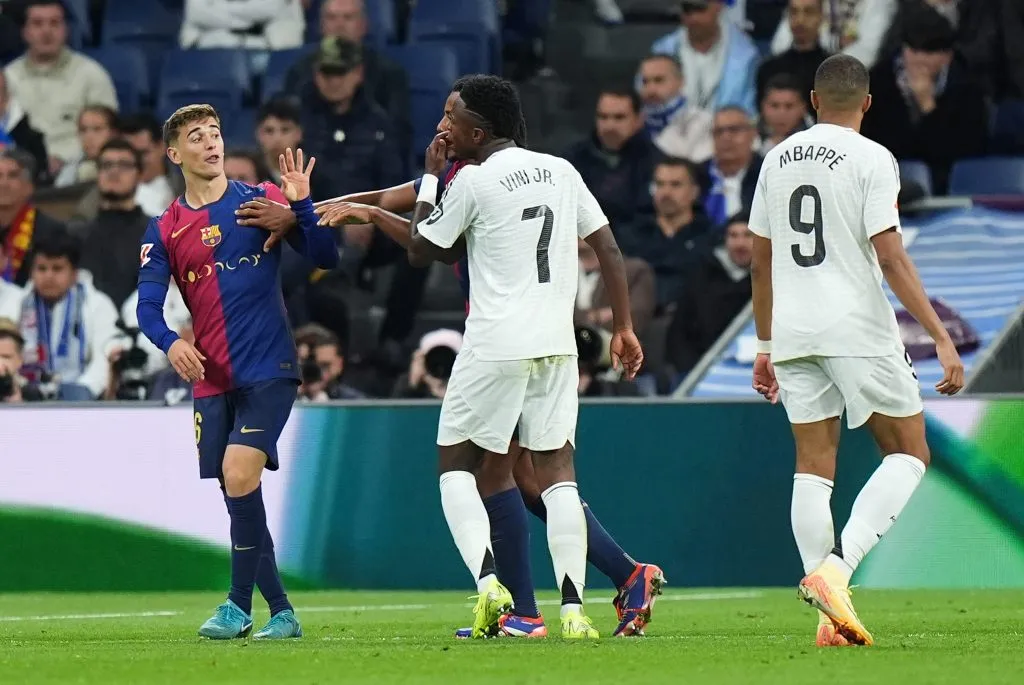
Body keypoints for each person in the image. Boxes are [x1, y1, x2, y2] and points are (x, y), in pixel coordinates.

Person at [304, 77, 665, 640]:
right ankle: (569, 606)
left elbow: (425, 245)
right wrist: (623, 326)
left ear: (478, 129)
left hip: (496, 342)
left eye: (451, 117)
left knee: (465, 469)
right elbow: (608, 247)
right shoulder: (561, 170)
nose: (442, 125)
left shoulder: (469, 180)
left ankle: (511, 596)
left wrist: (385, 204)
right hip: (555, 343)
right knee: (540, 474)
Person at [747, 54, 965, 648]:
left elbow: (760, 260)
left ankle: (829, 620)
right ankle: (836, 572)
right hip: (855, 328)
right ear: (866, 104)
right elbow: (890, 254)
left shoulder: (776, 159)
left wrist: (764, 344)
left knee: (813, 464)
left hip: (793, 331)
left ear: (813, 101)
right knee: (910, 451)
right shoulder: (874, 158)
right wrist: (939, 334)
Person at [135, 104, 339, 641]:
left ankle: (236, 606)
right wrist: (170, 343)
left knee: (240, 475)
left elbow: (327, 255)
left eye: (216, 133)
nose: (211, 143)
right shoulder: (166, 228)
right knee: (239, 498)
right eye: (196, 137)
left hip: (269, 367)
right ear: (174, 154)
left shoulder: (260, 200)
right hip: (212, 380)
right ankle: (284, 613)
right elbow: (147, 310)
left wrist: (302, 206)